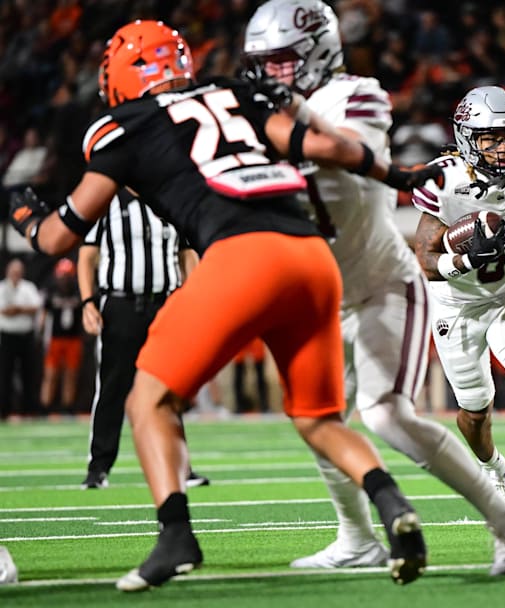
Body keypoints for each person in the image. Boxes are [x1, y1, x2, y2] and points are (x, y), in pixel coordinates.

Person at [8, 19, 442, 590]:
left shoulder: (121, 126)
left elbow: (60, 238)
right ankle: (394, 511)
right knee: (317, 419)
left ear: (120, 74)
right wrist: (400, 175)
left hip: (242, 256)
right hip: (312, 259)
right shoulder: (238, 91)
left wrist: (23, 215)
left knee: (147, 400)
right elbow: (328, 146)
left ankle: (176, 536)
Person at [244, 0, 505, 575]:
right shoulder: (264, 111)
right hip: (316, 290)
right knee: (315, 418)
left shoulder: (356, 95)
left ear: (319, 51)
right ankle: (356, 538)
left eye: (284, 62)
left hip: (378, 282)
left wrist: (261, 121)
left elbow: (329, 151)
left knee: (386, 415)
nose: (272, 75)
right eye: (264, 64)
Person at [412, 86, 505, 529]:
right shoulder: (446, 180)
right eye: (489, 138)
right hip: (455, 303)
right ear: (465, 138)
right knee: (475, 411)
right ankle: (492, 472)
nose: (503, 148)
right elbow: (424, 259)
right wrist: (463, 259)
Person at [77, 191, 206, 490]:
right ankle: (99, 466)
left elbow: (187, 253)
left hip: (166, 304)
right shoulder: (108, 201)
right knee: (112, 386)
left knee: (171, 384)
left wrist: (196, 297)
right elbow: (87, 255)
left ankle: (181, 466)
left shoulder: (170, 198)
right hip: (121, 305)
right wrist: (87, 301)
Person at [40, 258, 82, 415]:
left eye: (67, 275)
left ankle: (67, 407)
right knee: (51, 373)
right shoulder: (51, 291)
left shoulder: (78, 291)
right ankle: (46, 407)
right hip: (55, 339)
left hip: (73, 339)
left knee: (70, 374)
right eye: (62, 275)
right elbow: (44, 315)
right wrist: (40, 332)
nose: (64, 279)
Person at [0, 258, 41, 418]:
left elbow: (36, 307)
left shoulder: (28, 287)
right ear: (8, 271)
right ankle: (4, 410)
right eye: (13, 271)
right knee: (5, 373)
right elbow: (5, 311)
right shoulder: (2, 287)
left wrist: (17, 309)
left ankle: (28, 410)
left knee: (28, 374)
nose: (16, 274)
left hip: (25, 335)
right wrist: (21, 309)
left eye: (18, 271)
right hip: (7, 336)